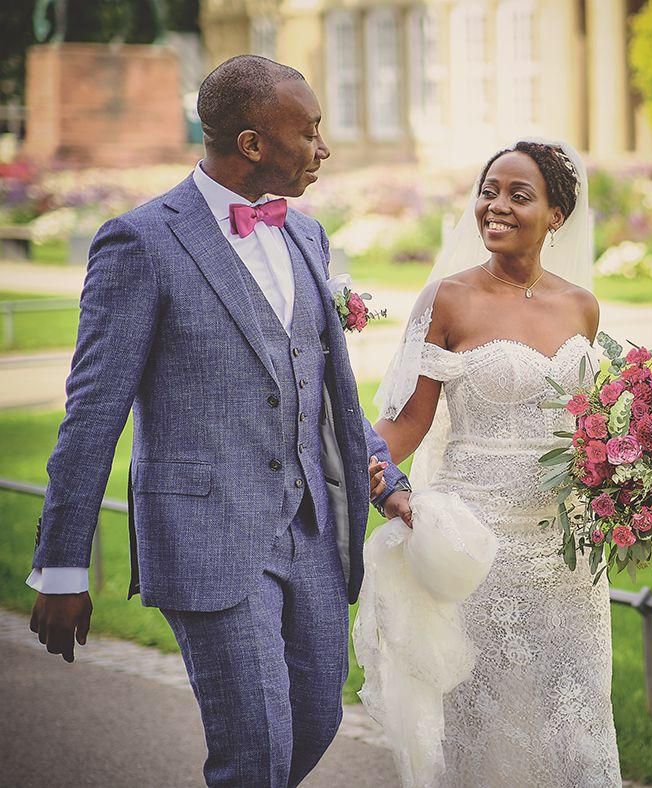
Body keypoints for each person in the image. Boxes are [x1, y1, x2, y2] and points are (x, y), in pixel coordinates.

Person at [26, 55, 411, 786]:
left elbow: (326, 388)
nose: (323, 148)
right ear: (252, 144)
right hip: (207, 539)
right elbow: (91, 415)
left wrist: (389, 480)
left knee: (318, 720)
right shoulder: (140, 243)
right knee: (255, 749)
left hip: (313, 536)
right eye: (311, 132)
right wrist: (63, 565)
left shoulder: (306, 236)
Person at [361, 139, 623, 787]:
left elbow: (585, 430)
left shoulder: (581, 307)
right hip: (476, 549)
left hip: (568, 559)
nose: (495, 206)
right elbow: (406, 423)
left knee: (579, 727)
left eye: (517, 195)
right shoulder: (446, 300)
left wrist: (633, 472)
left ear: (557, 215)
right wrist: (353, 464)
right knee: (484, 732)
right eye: (487, 191)